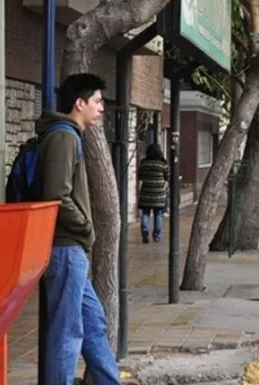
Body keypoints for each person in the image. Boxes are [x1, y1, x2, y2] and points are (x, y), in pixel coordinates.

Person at [37, 74, 137, 385]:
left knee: (93, 322)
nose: (101, 108)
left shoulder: (69, 137)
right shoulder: (64, 137)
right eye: (96, 101)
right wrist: (85, 226)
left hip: (72, 248)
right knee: (67, 331)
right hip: (65, 246)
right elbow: (56, 195)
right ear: (79, 103)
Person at [137, 143, 169, 243]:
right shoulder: (162, 164)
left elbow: (140, 176)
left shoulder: (144, 163)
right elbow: (167, 177)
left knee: (145, 213)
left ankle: (145, 232)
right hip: (159, 194)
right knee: (158, 214)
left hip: (146, 193)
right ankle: (157, 236)